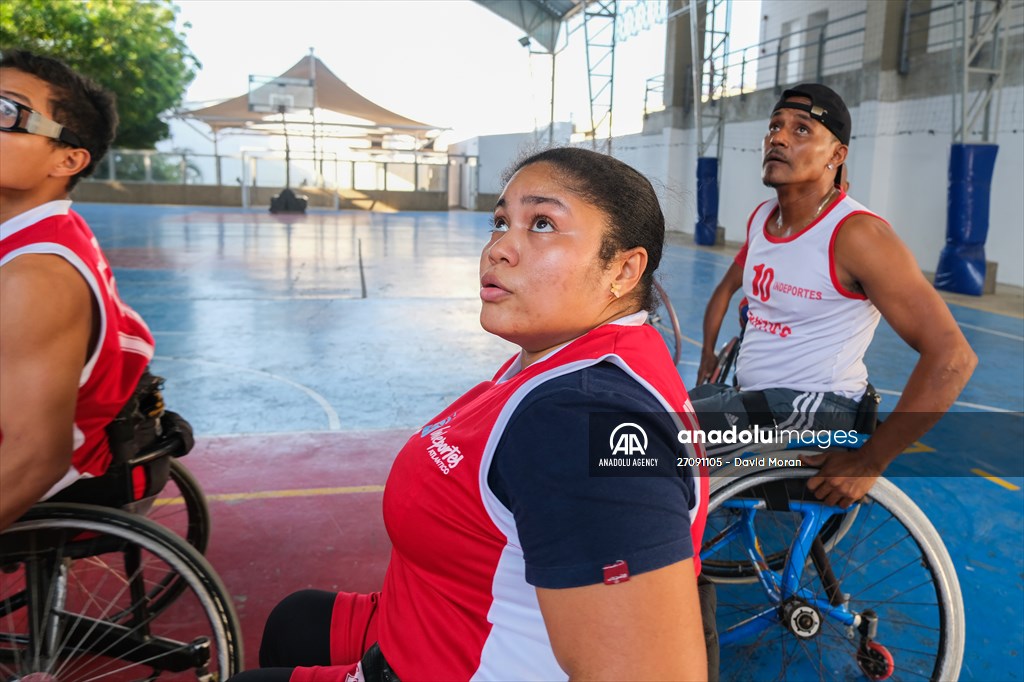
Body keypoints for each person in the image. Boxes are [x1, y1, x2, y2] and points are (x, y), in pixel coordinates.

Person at [234, 147, 711, 682]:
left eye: (544, 224)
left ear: (623, 269)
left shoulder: (582, 418)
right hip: (432, 621)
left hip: (452, 665)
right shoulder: (562, 357)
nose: (499, 248)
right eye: (501, 221)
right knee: (294, 620)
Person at [692, 83, 977, 508]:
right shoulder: (763, 219)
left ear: (836, 156)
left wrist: (870, 460)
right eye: (774, 127)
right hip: (758, 397)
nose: (780, 138)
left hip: (819, 407)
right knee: (642, 415)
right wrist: (710, 357)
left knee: (646, 447)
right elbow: (726, 293)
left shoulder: (857, 235)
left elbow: (953, 357)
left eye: (802, 130)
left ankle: (665, 568)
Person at [0, 49, 155, 529]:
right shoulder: (44, 230)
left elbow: (33, 459)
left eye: (7, 111)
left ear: (68, 158)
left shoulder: (36, 276)